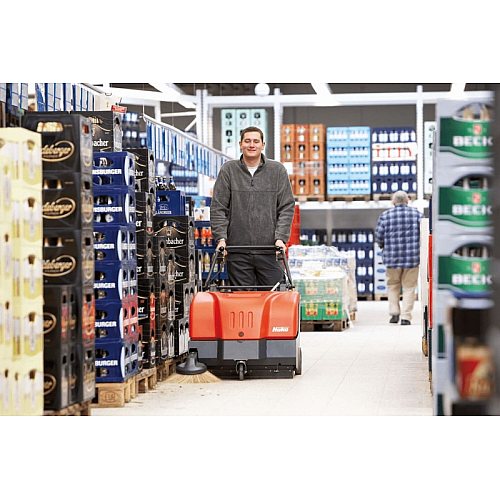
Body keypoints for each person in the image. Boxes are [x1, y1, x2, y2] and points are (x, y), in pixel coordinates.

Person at [210, 126, 295, 289]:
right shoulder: (228, 170)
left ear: (263, 145)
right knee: (243, 300)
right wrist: (221, 239)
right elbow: (218, 208)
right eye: (247, 141)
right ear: (240, 144)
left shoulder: (277, 171)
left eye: (256, 141)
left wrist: (280, 238)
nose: (251, 145)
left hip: (271, 251)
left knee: (274, 297)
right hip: (237, 252)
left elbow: (286, 206)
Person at [375, 190, 424, 325]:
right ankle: (406, 317)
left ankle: (394, 313)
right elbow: (424, 235)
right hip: (412, 258)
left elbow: (379, 236)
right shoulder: (418, 215)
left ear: (393, 202)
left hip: (392, 258)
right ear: (408, 200)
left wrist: (383, 246)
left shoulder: (385, 216)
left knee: (393, 285)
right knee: (409, 287)